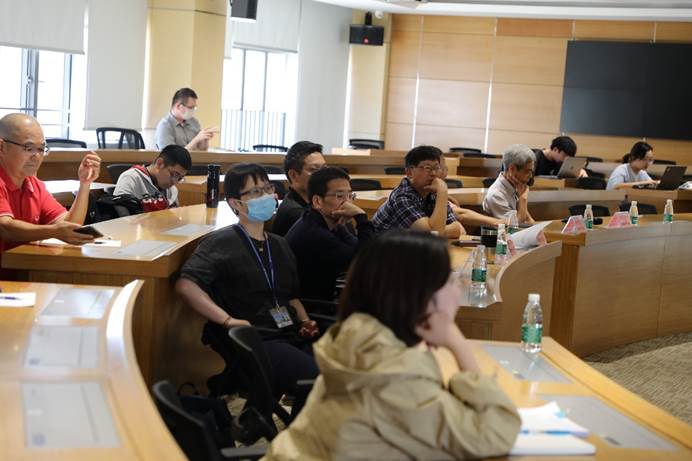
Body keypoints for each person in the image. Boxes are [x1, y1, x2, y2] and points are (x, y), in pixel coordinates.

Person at [263, 231, 521, 460]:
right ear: (419, 294)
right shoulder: (396, 375)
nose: (458, 290)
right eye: (449, 281)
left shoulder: (358, 337)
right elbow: (498, 433)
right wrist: (457, 343)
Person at [176, 163, 319, 398]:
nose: (266, 196)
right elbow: (186, 286)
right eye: (255, 192)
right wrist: (228, 321)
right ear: (236, 203)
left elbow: (290, 297)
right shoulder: (220, 243)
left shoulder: (280, 244)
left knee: (342, 373)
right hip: (258, 339)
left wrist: (305, 321)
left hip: (291, 333)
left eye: (268, 189)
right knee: (321, 382)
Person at [0, 113, 102, 257]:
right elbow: (5, 229)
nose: (36, 156)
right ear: (2, 147)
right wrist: (54, 231)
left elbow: (69, 227)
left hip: (23, 267)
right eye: (29, 148)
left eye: (41, 149)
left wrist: (84, 184)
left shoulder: (34, 185)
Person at [285, 167, 375, 301]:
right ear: (317, 201)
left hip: (328, 295)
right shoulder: (314, 233)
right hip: (313, 306)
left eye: (350, 196)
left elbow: (362, 251)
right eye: (340, 196)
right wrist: (361, 217)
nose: (348, 203)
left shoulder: (329, 222)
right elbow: (363, 261)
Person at [372, 145, 464, 238]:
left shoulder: (434, 193)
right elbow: (433, 234)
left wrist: (437, 231)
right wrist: (443, 191)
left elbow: (457, 229)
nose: (433, 173)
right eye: (427, 168)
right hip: (384, 246)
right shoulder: (402, 197)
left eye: (436, 168)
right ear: (409, 172)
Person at [113, 144, 191, 211]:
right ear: (159, 163)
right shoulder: (131, 178)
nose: (175, 182)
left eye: (180, 178)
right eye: (173, 175)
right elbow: (121, 214)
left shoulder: (171, 190)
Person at [272, 141, 326, 236]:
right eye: (314, 170)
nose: (323, 175)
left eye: (324, 169)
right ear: (293, 175)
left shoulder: (308, 203)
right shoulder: (295, 212)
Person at [483, 144, 535, 225]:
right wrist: (523, 198)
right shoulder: (496, 195)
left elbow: (529, 222)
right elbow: (514, 227)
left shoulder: (516, 187)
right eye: (527, 171)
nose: (530, 176)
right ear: (512, 169)